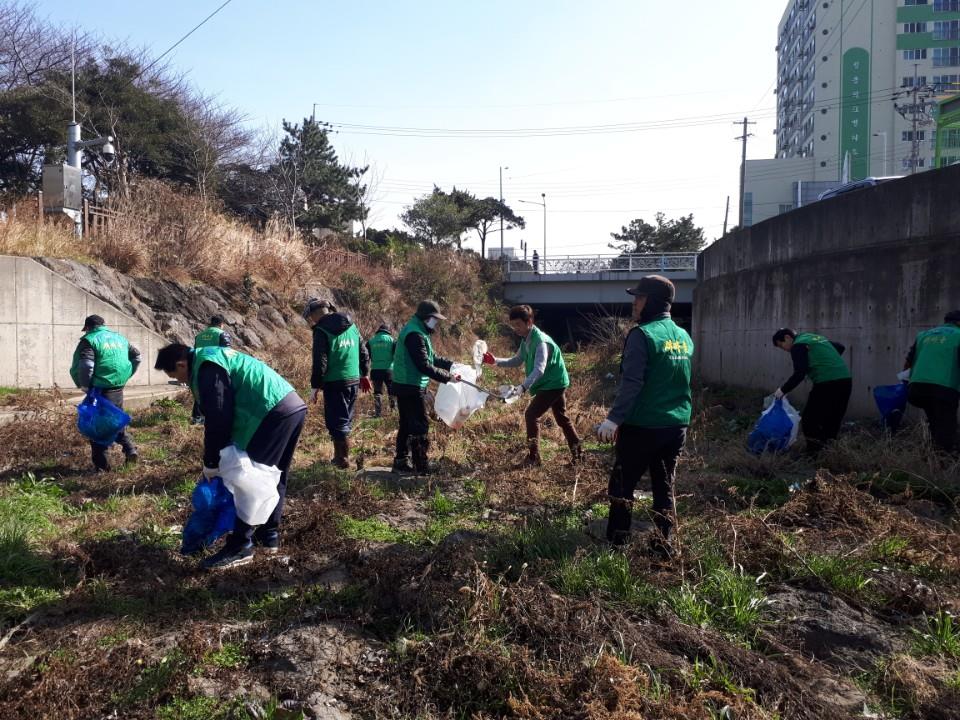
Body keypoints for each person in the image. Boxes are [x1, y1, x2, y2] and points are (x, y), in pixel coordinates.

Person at [154, 343, 307, 570]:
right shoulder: (214, 355)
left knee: (252, 479)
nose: (183, 383)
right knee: (275, 475)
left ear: (181, 364)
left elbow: (218, 417)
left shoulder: (207, 367)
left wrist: (212, 461)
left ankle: (240, 546)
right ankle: (268, 536)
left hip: (271, 413)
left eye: (178, 377)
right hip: (291, 405)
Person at [596, 276, 693, 556]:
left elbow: (632, 383)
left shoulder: (643, 335)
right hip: (676, 425)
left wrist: (613, 420)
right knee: (664, 487)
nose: (634, 303)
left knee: (622, 485)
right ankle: (665, 545)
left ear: (650, 301)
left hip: (643, 426)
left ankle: (617, 545)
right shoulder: (683, 337)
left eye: (638, 298)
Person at [483, 305, 581, 466]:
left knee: (531, 415)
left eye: (518, 325)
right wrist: (495, 361)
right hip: (553, 382)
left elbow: (539, 369)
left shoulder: (540, 341)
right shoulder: (527, 339)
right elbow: (516, 360)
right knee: (562, 419)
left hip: (553, 383)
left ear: (529, 322)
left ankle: (533, 458)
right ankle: (579, 457)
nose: (516, 329)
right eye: (513, 325)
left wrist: (522, 387)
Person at [392, 300, 460, 474]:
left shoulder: (420, 332)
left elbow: (432, 358)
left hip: (407, 384)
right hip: (410, 385)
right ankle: (421, 465)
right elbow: (423, 365)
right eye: (434, 319)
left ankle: (401, 461)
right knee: (420, 425)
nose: (436, 322)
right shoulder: (414, 334)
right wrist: (448, 378)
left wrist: (452, 365)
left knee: (407, 424)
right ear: (425, 317)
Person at [303, 298, 371, 469]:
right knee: (345, 419)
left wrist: (315, 385)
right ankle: (339, 457)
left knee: (336, 422)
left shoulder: (321, 330)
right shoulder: (352, 326)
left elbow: (320, 361)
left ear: (315, 314)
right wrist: (364, 374)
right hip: (353, 380)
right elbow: (363, 352)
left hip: (335, 382)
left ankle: (342, 460)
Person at [69, 314, 141, 471]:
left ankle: (102, 468)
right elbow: (137, 357)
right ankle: (130, 449)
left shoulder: (90, 340)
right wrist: (127, 374)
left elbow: (87, 365)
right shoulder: (120, 339)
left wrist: (86, 386)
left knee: (98, 428)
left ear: (88, 328)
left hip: (100, 389)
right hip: (118, 387)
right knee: (115, 420)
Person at [772, 328, 852, 455]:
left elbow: (800, 373)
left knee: (809, 420)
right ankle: (828, 452)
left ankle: (813, 454)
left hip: (826, 383)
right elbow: (840, 347)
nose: (785, 350)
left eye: (782, 346)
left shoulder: (797, 346)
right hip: (845, 381)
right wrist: (825, 361)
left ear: (787, 337)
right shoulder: (813, 338)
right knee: (833, 419)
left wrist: (782, 390)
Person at [903, 310, 960, 454]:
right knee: (946, 425)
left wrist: (905, 382)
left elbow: (908, 362)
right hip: (944, 388)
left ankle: (931, 454)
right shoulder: (958, 335)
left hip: (917, 388)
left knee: (936, 421)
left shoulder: (924, 335)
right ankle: (942, 461)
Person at [191, 314, 232, 425]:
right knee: (217, 393)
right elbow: (227, 354)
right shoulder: (222, 334)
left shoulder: (199, 336)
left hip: (199, 366)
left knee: (200, 392)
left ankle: (196, 418)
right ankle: (214, 418)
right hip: (216, 368)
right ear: (221, 324)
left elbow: (195, 351)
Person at [366, 323, 396, 418]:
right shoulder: (392, 340)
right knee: (391, 391)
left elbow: (366, 357)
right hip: (389, 370)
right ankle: (393, 411)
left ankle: (378, 413)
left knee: (377, 392)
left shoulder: (371, 341)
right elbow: (397, 356)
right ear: (388, 332)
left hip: (376, 370)